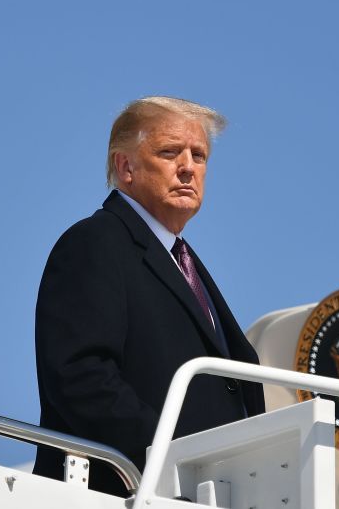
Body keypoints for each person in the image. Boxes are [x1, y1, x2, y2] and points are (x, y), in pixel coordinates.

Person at [33, 96, 265, 496]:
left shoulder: (183, 261)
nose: (188, 167)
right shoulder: (94, 243)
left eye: (199, 155)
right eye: (169, 152)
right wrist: (175, 461)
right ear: (126, 167)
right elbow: (80, 375)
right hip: (129, 492)